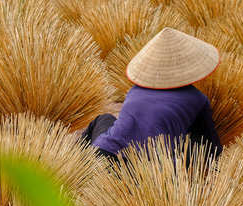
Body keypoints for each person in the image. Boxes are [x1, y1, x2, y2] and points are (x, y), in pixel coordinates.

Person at [82, 27, 222, 160]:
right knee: (197, 138)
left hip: (104, 156)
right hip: (150, 171)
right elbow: (211, 146)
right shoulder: (198, 99)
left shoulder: (135, 90)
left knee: (103, 119)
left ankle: (77, 163)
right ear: (192, 66)